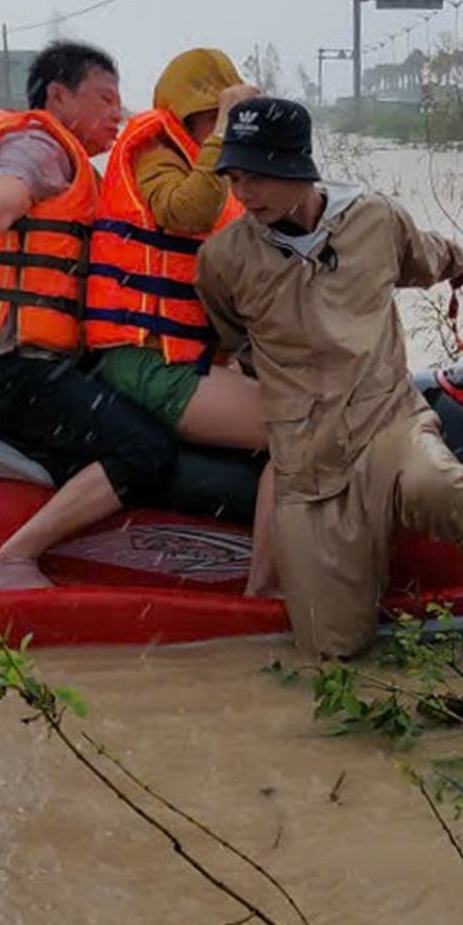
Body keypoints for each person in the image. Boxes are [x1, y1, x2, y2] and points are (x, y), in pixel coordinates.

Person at [194, 96, 463, 659]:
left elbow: (425, 257)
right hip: (308, 459)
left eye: (257, 176)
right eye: (233, 176)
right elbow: (234, 337)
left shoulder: (374, 218)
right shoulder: (224, 260)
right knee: (334, 647)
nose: (242, 192)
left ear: (298, 167)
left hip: (387, 425)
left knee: (438, 482)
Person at [0, 40, 177, 590]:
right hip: (9, 365)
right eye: (104, 98)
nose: (116, 113)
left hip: (18, 366)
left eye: (119, 101)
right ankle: (13, 557)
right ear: (58, 95)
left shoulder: (78, 171)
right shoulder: (39, 146)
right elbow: (1, 201)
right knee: (145, 449)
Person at [84, 48, 278, 595]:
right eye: (217, 116)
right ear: (197, 113)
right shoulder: (156, 150)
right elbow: (184, 211)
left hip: (184, 357)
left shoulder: (216, 170)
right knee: (297, 430)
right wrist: (222, 133)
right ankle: (265, 590)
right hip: (146, 358)